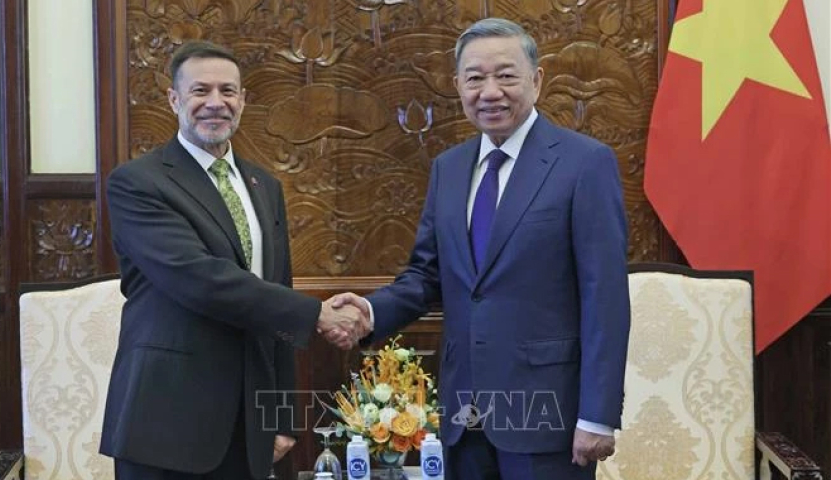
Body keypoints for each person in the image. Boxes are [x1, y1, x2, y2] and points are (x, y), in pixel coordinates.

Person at [331, 18, 630, 480]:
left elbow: (604, 296)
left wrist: (597, 416)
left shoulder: (584, 163)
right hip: (464, 414)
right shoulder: (449, 168)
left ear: (537, 80)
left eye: (506, 75)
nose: (490, 92)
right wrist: (370, 312)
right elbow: (427, 275)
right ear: (458, 86)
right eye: (475, 78)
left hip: (547, 413)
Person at [100, 40, 370, 480]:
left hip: (248, 427)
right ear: (174, 99)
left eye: (227, 91)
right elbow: (199, 279)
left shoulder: (264, 185)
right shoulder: (137, 183)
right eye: (200, 91)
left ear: (243, 100)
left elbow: (276, 293)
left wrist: (281, 416)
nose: (216, 103)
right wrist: (318, 314)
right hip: (166, 422)